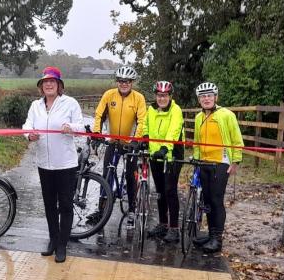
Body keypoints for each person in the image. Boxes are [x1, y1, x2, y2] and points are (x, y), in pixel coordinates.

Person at [22, 67, 85, 263]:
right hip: (44, 163)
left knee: (65, 205)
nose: (48, 84)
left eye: (52, 81)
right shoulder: (35, 106)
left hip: (65, 164)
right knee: (49, 205)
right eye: (45, 82)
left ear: (59, 85)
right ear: (41, 86)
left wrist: (70, 128)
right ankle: (53, 240)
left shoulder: (70, 103)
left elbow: (81, 127)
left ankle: (62, 245)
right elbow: (27, 125)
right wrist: (29, 135)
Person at [91, 66, 147, 229]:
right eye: (121, 81)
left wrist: (136, 140)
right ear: (117, 82)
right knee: (106, 174)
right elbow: (99, 114)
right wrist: (96, 133)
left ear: (132, 82)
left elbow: (142, 121)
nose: (124, 84)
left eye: (127, 81)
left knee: (130, 176)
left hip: (130, 144)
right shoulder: (109, 95)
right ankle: (101, 210)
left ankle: (131, 210)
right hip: (113, 142)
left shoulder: (139, 98)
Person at [192, 82, 244, 253]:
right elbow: (197, 142)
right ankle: (211, 234)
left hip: (221, 163)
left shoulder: (226, 115)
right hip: (204, 162)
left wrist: (236, 160)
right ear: (199, 100)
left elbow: (236, 138)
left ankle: (217, 239)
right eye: (203, 96)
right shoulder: (199, 117)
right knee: (206, 200)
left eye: (209, 95)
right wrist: (196, 159)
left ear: (215, 97)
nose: (206, 99)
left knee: (216, 200)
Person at [143, 81, 184, 243]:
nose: (162, 98)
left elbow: (173, 132)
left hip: (172, 153)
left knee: (170, 190)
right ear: (156, 96)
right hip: (155, 154)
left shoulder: (176, 110)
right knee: (160, 190)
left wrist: (165, 148)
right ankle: (163, 224)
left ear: (170, 96)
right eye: (159, 95)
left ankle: (174, 228)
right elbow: (146, 126)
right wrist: (145, 138)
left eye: (165, 95)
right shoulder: (151, 110)